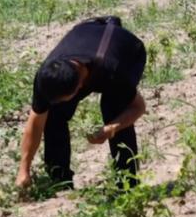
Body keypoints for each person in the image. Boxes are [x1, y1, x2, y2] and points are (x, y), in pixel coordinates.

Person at [16, 16, 148, 192]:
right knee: (54, 113)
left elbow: (138, 107)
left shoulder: (113, 71)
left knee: (115, 108)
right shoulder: (46, 77)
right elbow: (36, 122)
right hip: (89, 31)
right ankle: (59, 181)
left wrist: (111, 128)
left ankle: (127, 185)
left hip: (128, 50)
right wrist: (23, 169)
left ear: (80, 86)